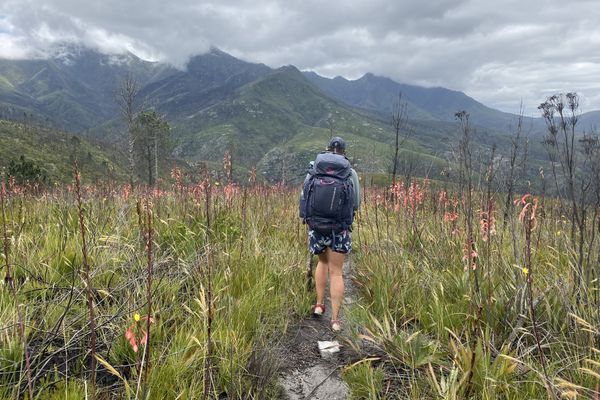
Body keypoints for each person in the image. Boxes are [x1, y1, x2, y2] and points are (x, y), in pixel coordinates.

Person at [299, 136, 360, 332]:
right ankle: (334, 320)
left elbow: (304, 198)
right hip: (339, 229)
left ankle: (318, 305)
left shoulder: (314, 170)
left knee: (322, 263)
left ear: (327, 150)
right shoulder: (350, 173)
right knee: (336, 271)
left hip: (316, 226)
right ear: (343, 152)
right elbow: (356, 203)